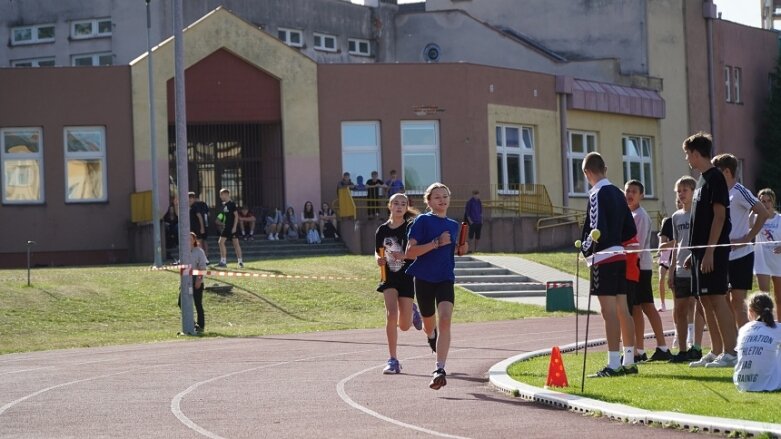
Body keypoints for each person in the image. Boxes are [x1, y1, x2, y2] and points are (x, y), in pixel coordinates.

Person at [579, 152, 638, 378]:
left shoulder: (596, 193)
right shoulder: (618, 193)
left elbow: (595, 228)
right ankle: (629, 360)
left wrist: (584, 249)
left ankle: (614, 363)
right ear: (605, 168)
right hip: (619, 254)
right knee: (623, 309)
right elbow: (629, 230)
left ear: (587, 173)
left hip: (603, 257)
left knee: (608, 312)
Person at [682, 132, 737, 368]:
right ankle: (715, 350)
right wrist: (694, 254)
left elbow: (720, 216)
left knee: (717, 297)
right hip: (699, 252)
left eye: (688, 154)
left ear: (696, 153)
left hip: (711, 251)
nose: (687, 159)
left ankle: (731, 351)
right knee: (704, 300)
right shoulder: (703, 179)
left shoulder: (715, 178)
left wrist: (710, 251)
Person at [405, 182, 468, 389]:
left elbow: (455, 251)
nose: (442, 200)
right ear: (429, 202)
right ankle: (430, 334)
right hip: (423, 278)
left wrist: (461, 248)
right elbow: (409, 252)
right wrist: (435, 243)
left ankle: (439, 368)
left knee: (446, 320)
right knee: (430, 326)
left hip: (445, 278)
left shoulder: (453, 224)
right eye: (437, 197)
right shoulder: (423, 221)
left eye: (445, 196)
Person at [712, 153, 770, 329]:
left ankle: (744, 341)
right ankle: (732, 344)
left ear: (727, 172)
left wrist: (748, 238)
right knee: (724, 301)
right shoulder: (718, 194)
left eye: (717, 172)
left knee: (738, 301)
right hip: (723, 255)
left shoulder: (739, 191)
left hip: (741, 255)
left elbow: (763, 212)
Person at [375, 193, 423, 374]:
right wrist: (378, 259)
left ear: (406, 207)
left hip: (406, 276)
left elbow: (415, 252)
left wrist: (405, 255)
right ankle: (393, 359)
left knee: (404, 325)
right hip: (388, 277)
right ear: (390, 206)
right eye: (396, 203)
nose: (399, 206)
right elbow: (377, 252)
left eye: (403, 204)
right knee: (391, 314)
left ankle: (412, 310)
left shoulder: (411, 228)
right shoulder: (382, 230)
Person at [660, 176, 706, 363]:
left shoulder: (700, 214)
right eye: (679, 191)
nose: (681, 194)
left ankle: (697, 346)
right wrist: (671, 270)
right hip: (679, 268)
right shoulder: (676, 217)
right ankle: (682, 350)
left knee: (699, 307)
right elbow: (677, 244)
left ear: (694, 192)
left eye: (685, 190)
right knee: (679, 309)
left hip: (697, 267)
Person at [624, 180, 670, 362]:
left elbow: (639, 244)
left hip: (640, 267)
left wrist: (631, 263)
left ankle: (662, 346)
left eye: (634, 191)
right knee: (636, 308)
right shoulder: (629, 214)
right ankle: (639, 350)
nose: (630, 194)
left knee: (647, 306)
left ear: (641, 195)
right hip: (635, 266)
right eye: (628, 190)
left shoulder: (640, 216)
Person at [734, 292, 781, 392]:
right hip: (771, 384)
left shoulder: (744, 329)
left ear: (750, 311)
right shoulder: (778, 328)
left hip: (743, 384)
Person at [753, 188, 781, 322]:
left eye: (768, 201)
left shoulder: (779, 219)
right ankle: (766, 325)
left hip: (778, 261)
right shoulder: (754, 219)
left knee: (779, 297)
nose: (766, 204)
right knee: (764, 298)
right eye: (762, 201)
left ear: (773, 202)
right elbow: (745, 229)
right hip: (762, 261)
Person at [179, 232, 208, 334]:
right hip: (185, 280)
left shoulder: (199, 251)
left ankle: (201, 326)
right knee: (181, 302)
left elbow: (202, 268)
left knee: (197, 303)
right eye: (186, 239)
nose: (188, 241)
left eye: (190, 239)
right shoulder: (183, 252)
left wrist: (199, 280)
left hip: (196, 279)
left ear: (194, 240)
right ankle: (191, 324)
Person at [216, 188, 244, 268]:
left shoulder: (232, 204)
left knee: (233, 243)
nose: (220, 196)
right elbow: (223, 216)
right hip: (227, 226)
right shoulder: (224, 205)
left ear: (226, 194)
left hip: (231, 227)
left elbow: (236, 216)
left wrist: (234, 227)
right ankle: (223, 261)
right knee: (221, 242)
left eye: (221, 194)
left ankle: (239, 262)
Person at [657, 212, 674, 312]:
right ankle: (662, 303)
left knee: (672, 281)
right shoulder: (662, 234)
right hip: (664, 258)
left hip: (673, 256)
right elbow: (661, 247)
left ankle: (674, 300)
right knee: (661, 278)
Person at [188, 192, 209, 259]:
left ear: (194, 199)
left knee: (199, 244)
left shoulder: (195, 206)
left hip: (197, 228)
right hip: (192, 228)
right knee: (194, 244)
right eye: (188, 199)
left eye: (191, 198)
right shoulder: (190, 207)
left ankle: (205, 259)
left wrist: (202, 228)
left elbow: (200, 217)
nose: (189, 200)